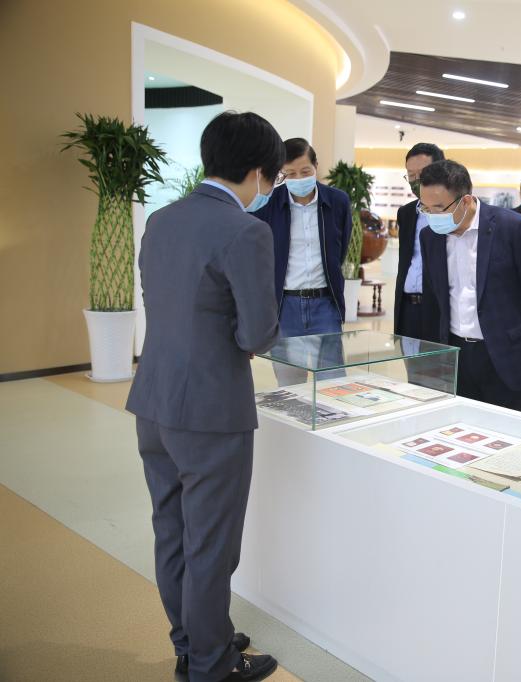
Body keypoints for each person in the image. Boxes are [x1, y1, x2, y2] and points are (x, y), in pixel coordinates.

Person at [126, 111, 284, 682]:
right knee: (212, 543)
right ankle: (212, 664)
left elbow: (163, 302)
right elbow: (258, 333)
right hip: (212, 409)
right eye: (274, 177)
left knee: (172, 531)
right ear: (259, 171)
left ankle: (192, 641)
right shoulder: (247, 231)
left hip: (154, 399)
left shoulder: (162, 219)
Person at [418, 160, 521, 412]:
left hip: (503, 354)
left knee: (507, 430)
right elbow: (434, 297)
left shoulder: (513, 228)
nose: (432, 216)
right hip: (455, 354)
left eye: (439, 208)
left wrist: (513, 330)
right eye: (425, 208)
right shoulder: (430, 237)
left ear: (466, 201)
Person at [254, 138, 352, 336]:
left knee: (330, 358)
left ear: (316, 166)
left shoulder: (338, 201)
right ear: (282, 173)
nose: (298, 178)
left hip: (326, 304)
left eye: (305, 171)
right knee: (285, 358)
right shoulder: (268, 203)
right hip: (283, 306)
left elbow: (339, 250)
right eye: (290, 173)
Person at [394, 143, 445, 339]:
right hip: (408, 309)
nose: (416, 181)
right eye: (411, 175)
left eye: (422, 174)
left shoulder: (453, 213)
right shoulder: (406, 213)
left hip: (438, 311)